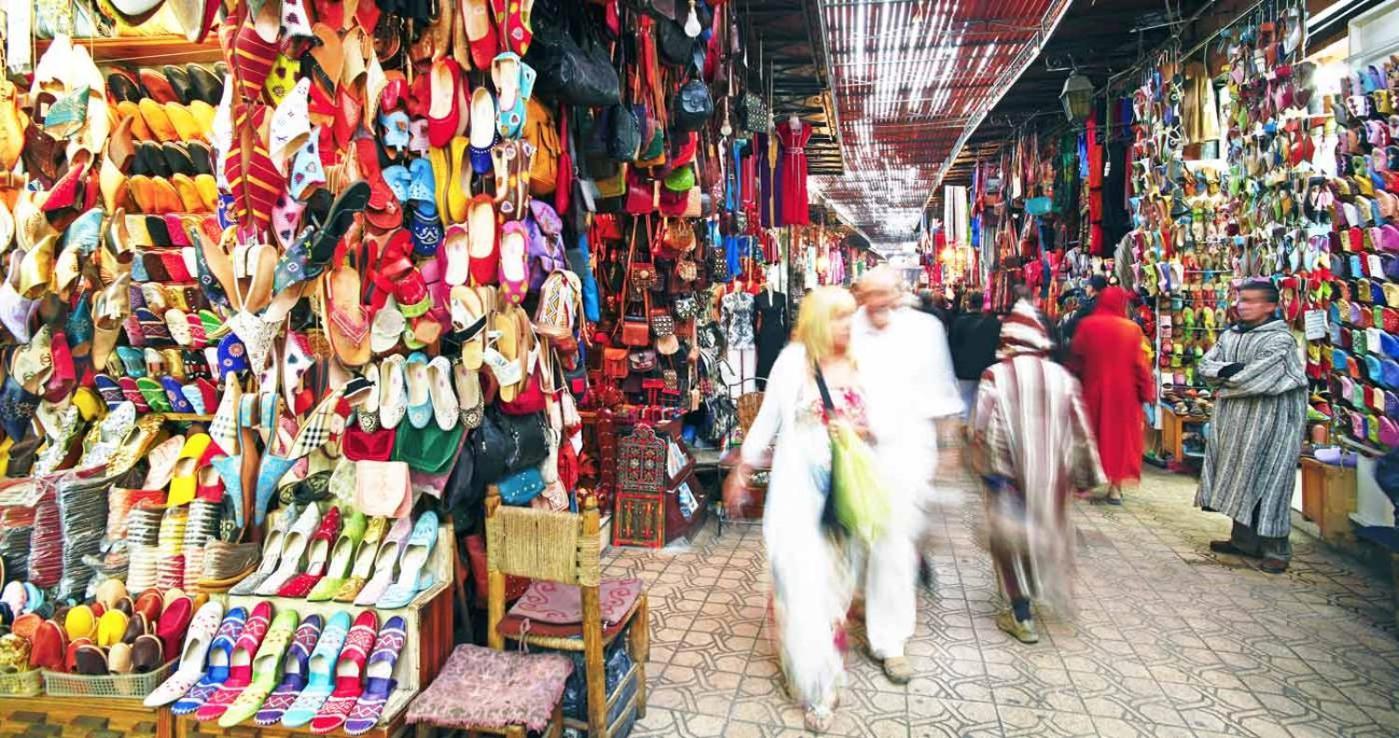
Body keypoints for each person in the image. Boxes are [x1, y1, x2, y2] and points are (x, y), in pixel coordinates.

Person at [722, 287, 864, 733]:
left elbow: (875, 423)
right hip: (796, 500)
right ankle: (818, 687)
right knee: (800, 592)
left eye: (849, 318)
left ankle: (814, 667)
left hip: (842, 499)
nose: (846, 327)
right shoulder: (791, 363)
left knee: (831, 596)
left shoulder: (858, 364)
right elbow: (767, 421)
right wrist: (742, 469)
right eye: (838, 318)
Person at [850, 266, 963, 683]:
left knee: (894, 545)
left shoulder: (925, 330)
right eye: (869, 295)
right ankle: (863, 598)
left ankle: (891, 640)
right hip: (855, 454)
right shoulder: (848, 327)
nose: (878, 303)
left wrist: (949, 449)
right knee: (857, 538)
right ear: (860, 296)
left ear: (900, 293)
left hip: (907, 453)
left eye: (885, 293)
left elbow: (943, 393)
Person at [971, 299, 1106, 644]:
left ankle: (1021, 613)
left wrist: (990, 469)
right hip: (1054, 478)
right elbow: (1080, 428)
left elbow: (983, 426)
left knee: (1010, 541)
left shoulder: (995, 375)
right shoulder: (1062, 377)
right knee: (1047, 532)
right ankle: (1047, 593)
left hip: (1010, 477)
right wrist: (1088, 476)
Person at [1196, 280, 1307, 574]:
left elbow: (1257, 379)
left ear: (1270, 306)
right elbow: (1204, 366)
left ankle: (1276, 549)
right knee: (1239, 476)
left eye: (1250, 300)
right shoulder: (1230, 335)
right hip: (1237, 421)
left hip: (1273, 424)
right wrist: (1227, 373)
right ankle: (1243, 540)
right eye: (1240, 299)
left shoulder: (1280, 341)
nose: (1242, 305)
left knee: (1270, 482)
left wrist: (1225, 378)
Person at [1069, 286, 1155, 504]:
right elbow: (1140, 366)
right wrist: (1147, 392)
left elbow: (1076, 359)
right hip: (1123, 396)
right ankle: (1115, 489)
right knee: (1118, 440)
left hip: (1093, 391)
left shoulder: (1087, 326)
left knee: (1091, 436)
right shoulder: (1132, 330)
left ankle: (1085, 485)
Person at [948, 292, 1002, 421]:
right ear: (982, 304)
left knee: (965, 398)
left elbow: (952, 345)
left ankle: (964, 426)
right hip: (985, 368)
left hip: (964, 369)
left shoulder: (958, 322)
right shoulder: (994, 323)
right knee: (982, 401)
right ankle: (979, 432)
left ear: (968, 304)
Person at [1060, 274, 1108, 345]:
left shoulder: (1088, 307)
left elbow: (1067, 329)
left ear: (1092, 288)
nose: (1086, 287)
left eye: (1087, 286)